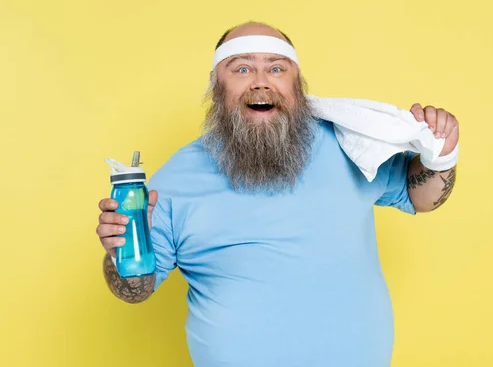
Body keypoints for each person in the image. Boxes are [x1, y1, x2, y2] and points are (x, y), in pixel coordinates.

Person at [96, 21, 459, 367]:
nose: (260, 83)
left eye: (276, 69)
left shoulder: (351, 147)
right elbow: (135, 289)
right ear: (215, 86)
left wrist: (442, 156)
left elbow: (420, 196)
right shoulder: (175, 180)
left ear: (296, 85)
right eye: (241, 69)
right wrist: (121, 252)